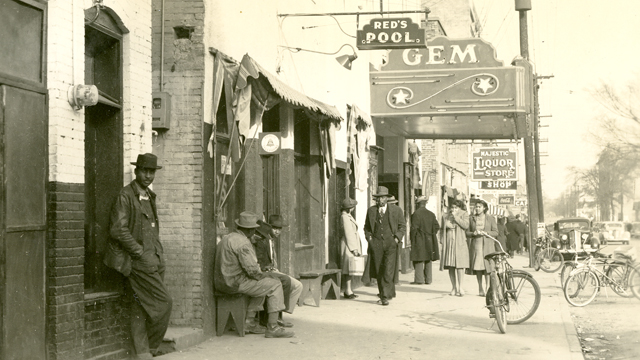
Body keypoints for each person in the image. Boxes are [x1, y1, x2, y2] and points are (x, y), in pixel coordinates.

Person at [104, 153, 172, 359]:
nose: (148, 176)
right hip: (139, 262)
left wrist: (158, 253)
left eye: (152, 172)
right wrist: (139, 252)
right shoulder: (126, 196)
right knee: (164, 303)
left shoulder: (149, 196)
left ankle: (141, 352)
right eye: (144, 171)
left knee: (139, 305)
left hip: (156, 259)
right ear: (136, 171)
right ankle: (150, 347)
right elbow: (118, 230)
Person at [214, 211, 294, 338]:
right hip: (234, 283)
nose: (255, 233)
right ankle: (272, 327)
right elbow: (253, 271)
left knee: (263, 286)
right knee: (274, 284)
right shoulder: (243, 243)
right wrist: (266, 276)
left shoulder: (227, 237)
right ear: (250, 230)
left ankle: (249, 323)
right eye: (254, 230)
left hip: (222, 282)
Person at [251, 216, 302, 328]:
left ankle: (280, 313)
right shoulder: (262, 241)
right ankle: (275, 317)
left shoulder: (269, 240)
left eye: (279, 229)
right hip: (263, 271)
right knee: (285, 281)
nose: (277, 231)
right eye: (275, 228)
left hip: (271, 270)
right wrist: (269, 268)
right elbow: (259, 262)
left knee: (298, 285)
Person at [364, 186, 406, 306]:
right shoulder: (371, 211)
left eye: (382, 198)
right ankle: (384, 293)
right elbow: (367, 227)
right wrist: (370, 239)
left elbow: (402, 226)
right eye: (377, 198)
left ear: (387, 199)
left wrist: (396, 238)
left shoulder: (396, 210)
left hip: (391, 243)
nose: (379, 200)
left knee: (388, 270)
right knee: (379, 271)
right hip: (376, 244)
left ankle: (384, 296)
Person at [466, 199, 498, 297]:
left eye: (479, 207)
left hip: (488, 245)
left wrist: (487, 233)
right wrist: (473, 233)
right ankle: (480, 287)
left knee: (487, 268)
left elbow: (496, 232)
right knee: (478, 267)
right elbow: (467, 232)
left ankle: (488, 287)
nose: (477, 209)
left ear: (484, 208)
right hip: (477, 245)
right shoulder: (471, 218)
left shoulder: (490, 218)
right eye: (476, 207)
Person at [440, 199, 470, 296]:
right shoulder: (446, 216)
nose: (453, 209)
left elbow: (466, 225)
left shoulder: (464, 214)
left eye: (456, 208)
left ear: (460, 208)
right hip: (449, 243)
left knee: (460, 266)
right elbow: (442, 229)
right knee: (451, 266)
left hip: (459, 243)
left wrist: (456, 217)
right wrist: (442, 240)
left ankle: (460, 287)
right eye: (452, 207)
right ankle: (453, 287)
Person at [409, 195, 440, 285]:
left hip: (419, 239)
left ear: (417, 204)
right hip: (429, 239)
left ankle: (419, 280)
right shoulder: (431, 214)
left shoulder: (416, 214)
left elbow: (414, 228)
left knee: (418, 258)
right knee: (428, 259)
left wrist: (412, 239)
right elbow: (437, 226)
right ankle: (428, 279)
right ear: (425, 204)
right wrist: (431, 234)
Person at [340, 198, 362, 299]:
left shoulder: (347, 216)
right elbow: (349, 233)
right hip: (349, 246)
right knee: (348, 268)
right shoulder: (345, 217)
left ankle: (348, 289)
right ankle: (348, 290)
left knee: (350, 268)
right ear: (349, 208)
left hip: (350, 245)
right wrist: (354, 249)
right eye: (352, 207)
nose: (353, 209)